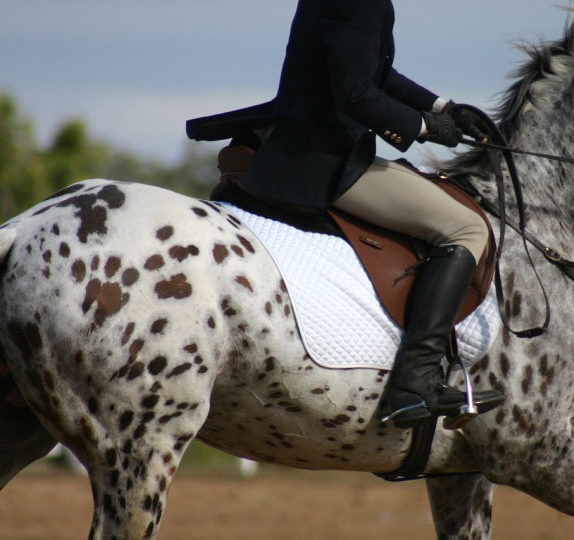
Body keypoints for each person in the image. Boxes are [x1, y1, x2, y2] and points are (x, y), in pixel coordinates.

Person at [187, 0, 503, 429]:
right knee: (466, 228)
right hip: (322, 160)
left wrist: (442, 107)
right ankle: (416, 380)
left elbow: (373, 71)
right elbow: (356, 94)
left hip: (307, 142)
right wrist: (424, 128)